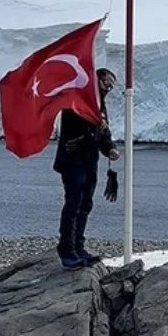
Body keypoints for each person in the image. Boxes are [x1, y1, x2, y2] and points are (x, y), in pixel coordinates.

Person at [53, 67, 120, 269]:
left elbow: (101, 134)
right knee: (73, 204)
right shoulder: (76, 101)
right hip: (73, 161)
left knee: (85, 204)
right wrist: (95, 134)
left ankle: (79, 248)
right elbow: (76, 134)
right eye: (106, 83)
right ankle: (67, 250)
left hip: (89, 161)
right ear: (96, 79)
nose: (108, 88)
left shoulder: (100, 104)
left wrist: (110, 149)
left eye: (111, 86)